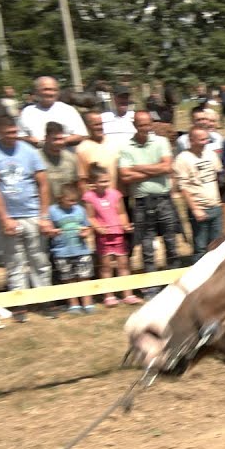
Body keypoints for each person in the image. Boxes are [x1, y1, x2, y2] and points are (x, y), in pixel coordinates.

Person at [0, 114, 52, 323]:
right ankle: (20, 304)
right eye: (8, 132)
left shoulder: (29, 151)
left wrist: (44, 216)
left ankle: (46, 300)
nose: (12, 136)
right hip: (9, 217)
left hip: (32, 213)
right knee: (14, 262)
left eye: (15, 132)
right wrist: (4, 218)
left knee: (39, 259)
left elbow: (43, 184)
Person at [119, 111, 179, 281]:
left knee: (170, 240)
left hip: (163, 199)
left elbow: (167, 168)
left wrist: (137, 168)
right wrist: (155, 170)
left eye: (147, 124)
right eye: (140, 125)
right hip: (141, 202)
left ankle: (172, 280)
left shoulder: (161, 142)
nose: (144, 128)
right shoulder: (126, 147)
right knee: (146, 244)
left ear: (151, 124)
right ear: (134, 125)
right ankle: (151, 283)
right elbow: (124, 176)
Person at [82, 164, 139, 306]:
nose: (105, 184)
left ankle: (128, 294)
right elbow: (90, 217)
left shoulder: (115, 194)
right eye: (101, 181)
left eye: (107, 181)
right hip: (103, 237)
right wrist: (98, 227)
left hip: (118, 234)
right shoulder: (89, 197)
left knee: (124, 265)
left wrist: (125, 225)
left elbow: (121, 213)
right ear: (93, 182)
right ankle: (109, 295)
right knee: (106, 266)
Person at [173, 127, 224, 261]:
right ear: (191, 140)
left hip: (215, 206)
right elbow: (183, 187)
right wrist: (195, 208)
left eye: (206, 139)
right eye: (201, 139)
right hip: (200, 209)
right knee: (200, 247)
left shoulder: (211, 154)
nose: (205, 142)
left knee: (217, 245)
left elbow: (217, 177)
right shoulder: (182, 159)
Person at [46, 183, 94, 313]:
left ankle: (88, 303)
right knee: (68, 279)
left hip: (82, 250)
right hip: (61, 251)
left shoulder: (80, 210)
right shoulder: (52, 210)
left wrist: (85, 233)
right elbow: (48, 229)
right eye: (70, 200)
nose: (73, 203)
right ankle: (74, 304)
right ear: (61, 197)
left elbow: (88, 227)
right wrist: (52, 232)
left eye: (76, 200)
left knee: (84, 277)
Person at [18, 76, 86, 148]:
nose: (50, 93)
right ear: (36, 92)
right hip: (37, 154)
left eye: (54, 90)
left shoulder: (68, 110)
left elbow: (81, 135)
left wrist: (58, 141)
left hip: (63, 154)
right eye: (46, 89)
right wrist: (30, 140)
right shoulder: (27, 112)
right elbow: (20, 136)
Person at [40, 121, 80, 204]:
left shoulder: (71, 158)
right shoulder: (36, 158)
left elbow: (77, 185)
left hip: (68, 210)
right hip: (46, 209)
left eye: (61, 139)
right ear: (46, 138)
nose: (59, 142)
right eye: (55, 139)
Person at [100, 85, 138, 151]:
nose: (123, 100)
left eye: (126, 97)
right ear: (114, 99)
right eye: (121, 97)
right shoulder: (104, 117)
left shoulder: (136, 117)